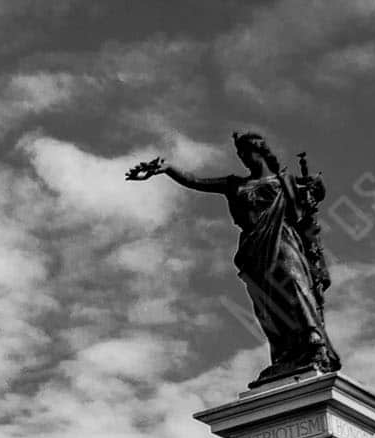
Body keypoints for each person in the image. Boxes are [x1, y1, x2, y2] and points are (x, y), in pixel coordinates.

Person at [128, 132, 340, 385]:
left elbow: (312, 198)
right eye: (240, 155)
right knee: (267, 303)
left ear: (260, 152)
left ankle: (313, 339)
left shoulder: (284, 181)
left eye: (246, 153)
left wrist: (312, 188)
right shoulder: (234, 185)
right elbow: (197, 181)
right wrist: (168, 169)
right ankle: (288, 353)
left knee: (294, 284)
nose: (243, 158)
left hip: (282, 239)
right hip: (254, 250)